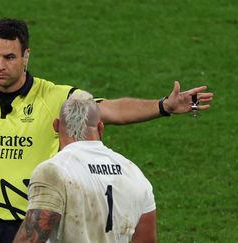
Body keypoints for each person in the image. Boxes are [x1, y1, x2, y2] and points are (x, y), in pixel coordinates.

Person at [0, 18, 213, 243]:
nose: (0, 66)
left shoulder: (54, 96)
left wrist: (163, 106)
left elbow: (110, 110)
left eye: (9, 57)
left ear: (26, 56)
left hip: (35, 222)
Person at [13, 91, 156, 243]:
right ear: (100, 128)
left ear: (55, 126)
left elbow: (30, 239)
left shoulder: (53, 171)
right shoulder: (134, 172)